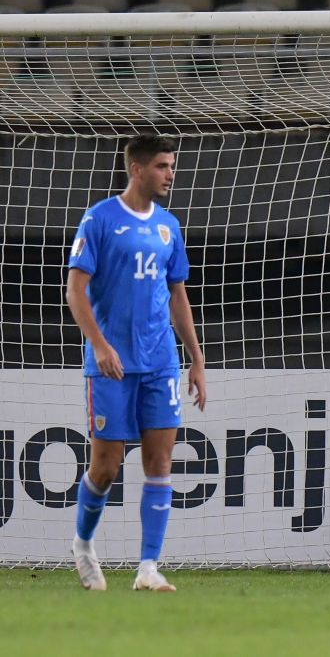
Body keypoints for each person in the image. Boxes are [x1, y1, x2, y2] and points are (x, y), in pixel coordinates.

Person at [66, 134, 206, 592]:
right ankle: (83, 545)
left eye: (172, 166)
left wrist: (196, 360)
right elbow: (76, 290)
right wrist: (100, 346)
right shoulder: (100, 219)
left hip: (160, 361)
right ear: (137, 169)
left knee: (160, 461)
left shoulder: (169, 226)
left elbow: (177, 294)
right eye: (164, 166)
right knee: (105, 467)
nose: (171, 174)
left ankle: (148, 567)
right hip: (111, 365)